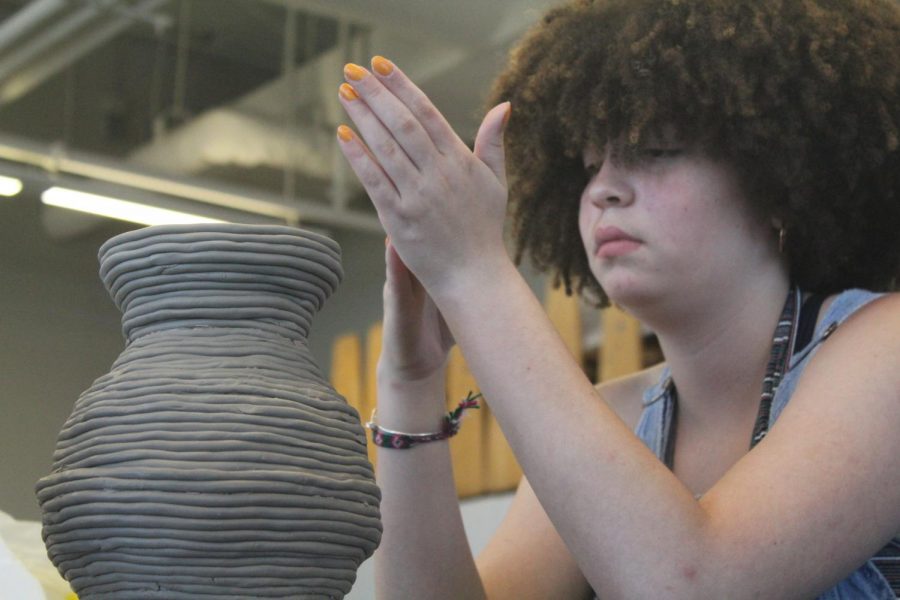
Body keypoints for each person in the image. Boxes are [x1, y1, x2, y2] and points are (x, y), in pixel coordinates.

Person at [335, 0, 900, 597]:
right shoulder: (618, 415)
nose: (602, 188)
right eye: (586, 167)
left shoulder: (887, 347)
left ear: (780, 181)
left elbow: (694, 585)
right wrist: (411, 382)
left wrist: (474, 269)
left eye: (655, 151)